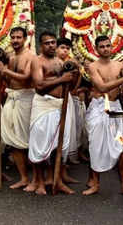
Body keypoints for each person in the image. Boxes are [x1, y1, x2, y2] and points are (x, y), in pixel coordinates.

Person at [27, 31, 77, 195]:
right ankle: (40, 182)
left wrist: (74, 75)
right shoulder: (37, 61)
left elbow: (71, 85)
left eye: (53, 42)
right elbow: (39, 87)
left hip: (60, 106)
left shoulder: (60, 61)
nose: (51, 45)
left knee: (59, 145)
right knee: (39, 144)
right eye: (47, 43)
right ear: (41, 45)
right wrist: (61, 80)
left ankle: (56, 180)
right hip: (43, 106)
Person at [83, 35, 123, 196]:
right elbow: (102, 87)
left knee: (120, 146)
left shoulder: (119, 65)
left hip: (115, 108)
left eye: (108, 46)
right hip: (98, 108)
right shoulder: (92, 66)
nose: (105, 49)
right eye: (102, 46)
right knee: (95, 146)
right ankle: (95, 184)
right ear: (97, 50)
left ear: (112, 47)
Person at [0, 27, 35, 189]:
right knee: (13, 140)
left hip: (26, 99)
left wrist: (4, 70)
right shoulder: (11, 58)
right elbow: (8, 78)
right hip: (12, 98)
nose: (15, 40)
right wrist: (0, 69)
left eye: (19, 37)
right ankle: (24, 177)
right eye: (13, 37)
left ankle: (36, 178)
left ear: (25, 39)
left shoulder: (30, 57)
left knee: (27, 140)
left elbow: (26, 78)